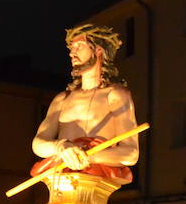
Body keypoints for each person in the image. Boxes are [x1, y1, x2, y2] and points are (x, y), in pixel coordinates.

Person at [30, 23, 140, 184]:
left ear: (98, 51)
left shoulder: (115, 96)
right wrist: (61, 147)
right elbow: (38, 144)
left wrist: (88, 156)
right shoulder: (62, 99)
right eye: (71, 49)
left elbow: (131, 153)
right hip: (61, 181)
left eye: (79, 47)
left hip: (95, 182)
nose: (72, 54)